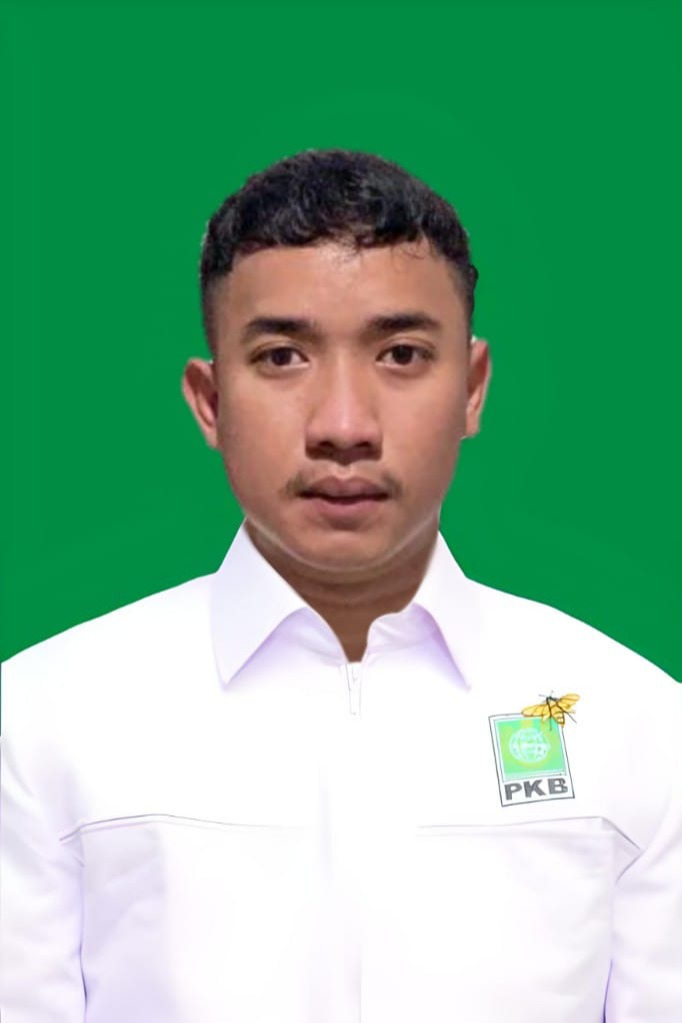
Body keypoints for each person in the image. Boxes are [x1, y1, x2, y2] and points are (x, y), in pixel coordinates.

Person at [1, 148, 680, 1023]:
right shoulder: (42, 722)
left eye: (401, 353)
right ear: (210, 400)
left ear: (472, 388)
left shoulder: (632, 723)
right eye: (283, 356)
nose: (345, 425)